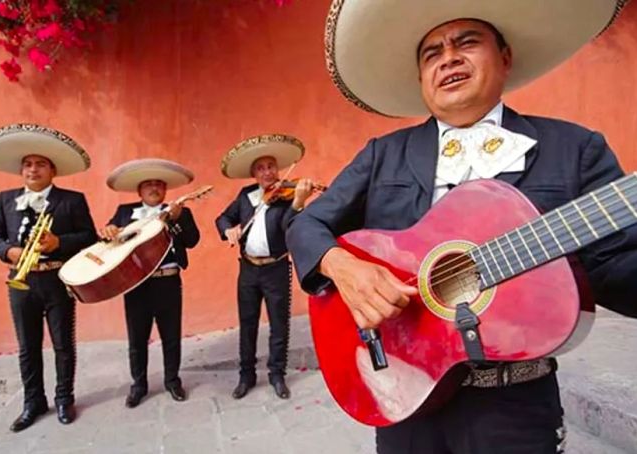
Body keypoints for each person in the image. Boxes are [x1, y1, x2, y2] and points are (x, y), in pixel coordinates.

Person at [287, 2, 637, 453]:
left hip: (515, 404)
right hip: (404, 390)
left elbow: (614, 271)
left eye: (467, 41)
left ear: (505, 57)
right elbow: (306, 224)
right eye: (432, 52)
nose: (448, 57)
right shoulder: (383, 155)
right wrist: (343, 268)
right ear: (421, 79)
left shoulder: (574, 149)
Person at [0, 124, 96, 432]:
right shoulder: (6, 199)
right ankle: (33, 402)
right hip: (22, 280)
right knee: (27, 346)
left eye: (41, 164)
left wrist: (59, 243)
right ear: (22, 170)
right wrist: (8, 252)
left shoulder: (72, 200)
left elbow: (89, 237)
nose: (33, 169)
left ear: (52, 170)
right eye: (28, 164)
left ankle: (63, 399)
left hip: (58, 279)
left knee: (63, 344)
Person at [215, 134, 316, 399]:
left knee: (278, 324)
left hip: (276, 269)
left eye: (271, 166)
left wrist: (298, 203)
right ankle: (246, 375)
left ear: (278, 169)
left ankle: (277, 374)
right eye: (261, 168)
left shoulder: (286, 196)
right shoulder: (245, 196)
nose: (267, 172)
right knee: (247, 323)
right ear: (254, 174)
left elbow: (290, 228)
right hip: (248, 269)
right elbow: (223, 218)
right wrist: (228, 231)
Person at [100, 158, 200, 408]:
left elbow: (192, 240)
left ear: (165, 189)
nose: (154, 188)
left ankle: (172, 381)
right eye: (148, 184)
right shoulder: (125, 212)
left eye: (159, 184)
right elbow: (108, 242)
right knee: (137, 337)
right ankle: (139, 385)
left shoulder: (180, 211)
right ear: (139, 190)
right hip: (135, 285)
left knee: (171, 335)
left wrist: (175, 221)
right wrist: (109, 231)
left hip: (168, 281)